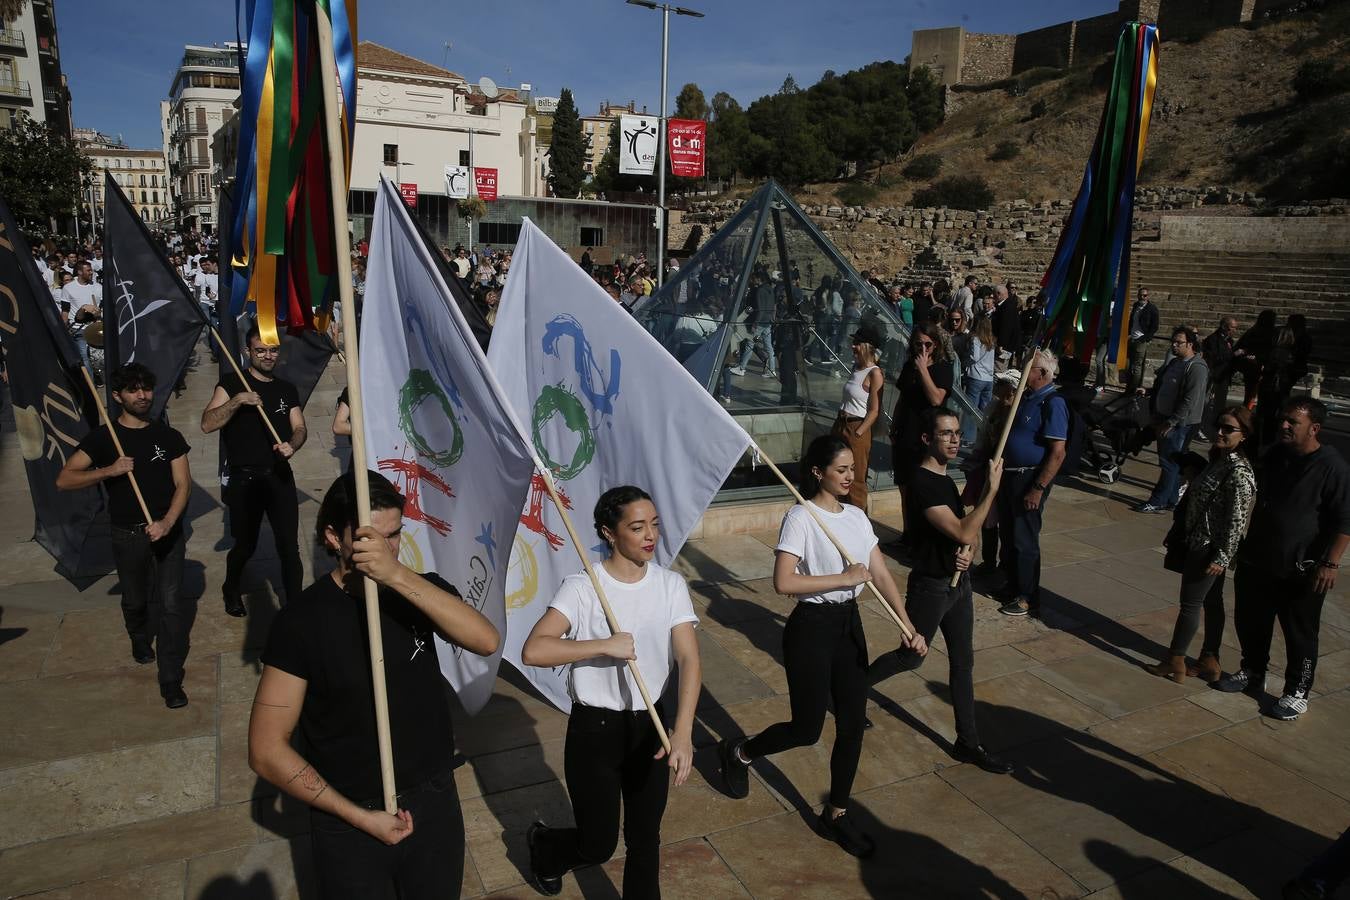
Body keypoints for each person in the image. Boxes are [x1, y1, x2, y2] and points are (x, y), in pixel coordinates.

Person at [248, 470, 499, 899]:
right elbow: (267, 751)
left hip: (434, 801)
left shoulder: (419, 591)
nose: (385, 549)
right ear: (333, 537)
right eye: (370, 539)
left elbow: (485, 640)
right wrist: (358, 817)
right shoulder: (301, 622)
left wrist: (396, 576)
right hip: (350, 821)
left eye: (395, 536)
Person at [717, 436, 925, 859]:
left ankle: (836, 812)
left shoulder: (855, 516)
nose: (851, 476)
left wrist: (907, 623)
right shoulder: (801, 517)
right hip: (810, 628)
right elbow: (784, 582)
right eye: (842, 469)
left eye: (852, 469)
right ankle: (740, 752)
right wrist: (841, 579)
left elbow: (881, 575)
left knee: (852, 723)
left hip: (849, 625)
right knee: (806, 729)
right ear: (818, 472)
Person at [523, 486, 702, 898]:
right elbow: (535, 649)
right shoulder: (583, 586)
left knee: (645, 839)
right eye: (637, 527)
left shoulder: (670, 585)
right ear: (609, 532)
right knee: (598, 845)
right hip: (595, 731)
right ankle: (546, 847)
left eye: (654, 525)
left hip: (650, 725)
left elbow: (689, 660)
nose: (649, 536)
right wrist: (602, 645)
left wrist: (683, 731)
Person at [867, 408, 1012, 774]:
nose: (953, 439)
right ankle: (851, 688)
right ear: (927, 439)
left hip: (958, 587)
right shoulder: (920, 482)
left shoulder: (947, 480)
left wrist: (969, 552)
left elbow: (967, 533)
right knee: (911, 657)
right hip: (931, 588)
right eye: (945, 433)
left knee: (963, 664)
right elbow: (963, 528)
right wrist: (990, 491)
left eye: (957, 433)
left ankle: (968, 742)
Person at [57, 363, 193, 708]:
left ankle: (170, 678)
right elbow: (65, 479)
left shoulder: (167, 435)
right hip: (126, 535)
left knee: (172, 604)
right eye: (133, 390)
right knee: (135, 599)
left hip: (168, 532)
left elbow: (183, 484)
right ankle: (137, 635)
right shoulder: (104, 438)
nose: (143, 395)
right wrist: (109, 470)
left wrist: (166, 522)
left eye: (146, 388)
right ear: (117, 396)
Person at [1216, 398, 1349, 720]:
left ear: (1314, 428)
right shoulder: (1276, 454)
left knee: (1299, 632)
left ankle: (1297, 690)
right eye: (1283, 420)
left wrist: (1330, 563)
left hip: (1301, 568)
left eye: (1293, 422)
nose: (1284, 426)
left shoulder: (1333, 467)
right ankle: (1252, 671)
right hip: (1259, 558)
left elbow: (1345, 521)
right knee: (1251, 621)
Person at [201, 325, 308, 616]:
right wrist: (237, 401)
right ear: (248, 352)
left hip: (279, 477)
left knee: (289, 547)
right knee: (245, 545)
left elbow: (299, 427)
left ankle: (294, 607)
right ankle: (231, 589)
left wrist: (292, 445)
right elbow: (207, 423)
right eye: (260, 350)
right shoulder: (231, 383)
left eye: (272, 350)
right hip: (244, 480)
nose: (267, 355)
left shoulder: (287, 388)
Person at [1144, 406, 1256, 683]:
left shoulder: (1239, 473)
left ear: (1244, 435)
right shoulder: (1221, 459)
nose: (1220, 432)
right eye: (1220, 425)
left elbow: (1237, 520)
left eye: (1229, 429)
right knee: (1211, 602)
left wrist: (1223, 557)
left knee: (1190, 605)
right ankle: (1209, 659)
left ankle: (1175, 660)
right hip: (1201, 541)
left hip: (1208, 547)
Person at [996, 349, 1068, 617]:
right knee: (1009, 534)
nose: (1024, 370)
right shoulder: (1026, 397)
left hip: (1029, 477)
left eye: (1029, 367)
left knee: (1025, 537)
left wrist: (1038, 488)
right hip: (1010, 475)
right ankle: (1013, 584)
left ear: (1042, 373)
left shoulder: (1053, 403)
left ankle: (1027, 595)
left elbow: (1058, 452)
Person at [1137, 326, 1209, 513]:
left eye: (1179, 343)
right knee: (1172, 461)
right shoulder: (1174, 363)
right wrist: (1150, 391)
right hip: (1163, 417)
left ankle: (1158, 499)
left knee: (1169, 462)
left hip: (1178, 424)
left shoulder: (1197, 368)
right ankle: (1171, 499)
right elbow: (1165, 386)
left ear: (1190, 344)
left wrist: (1172, 422)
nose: (1174, 345)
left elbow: (1190, 400)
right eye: (1173, 342)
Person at [890, 322, 954, 519]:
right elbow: (902, 398)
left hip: (928, 438)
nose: (923, 349)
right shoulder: (909, 366)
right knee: (905, 487)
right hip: (905, 434)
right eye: (919, 345)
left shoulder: (943, 368)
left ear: (936, 345)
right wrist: (894, 425)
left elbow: (936, 399)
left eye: (928, 344)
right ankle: (908, 535)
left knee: (923, 488)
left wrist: (923, 370)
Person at [831, 325, 884, 510]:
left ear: (868, 346)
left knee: (856, 480)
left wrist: (859, 432)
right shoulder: (856, 368)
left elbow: (874, 410)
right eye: (853, 343)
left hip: (856, 428)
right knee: (836, 474)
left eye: (857, 344)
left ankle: (860, 524)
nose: (853, 347)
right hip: (841, 424)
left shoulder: (874, 373)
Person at [1199, 316, 1238, 437]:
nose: (1234, 330)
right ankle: (1199, 427)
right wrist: (1233, 355)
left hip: (1224, 377)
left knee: (1220, 405)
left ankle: (1216, 427)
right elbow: (1215, 358)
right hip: (1213, 377)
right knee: (1205, 404)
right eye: (1232, 327)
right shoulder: (1213, 340)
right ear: (1224, 327)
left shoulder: (1229, 341)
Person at [1233, 309, 1276, 408]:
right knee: (1252, 393)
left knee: (1252, 393)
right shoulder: (1258, 332)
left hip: (1258, 366)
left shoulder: (1255, 331)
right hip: (1255, 366)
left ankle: (1248, 411)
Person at [1125, 287, 1159, 394]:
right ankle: (1128, 388)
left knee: (1137, 367)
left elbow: (1154, 327)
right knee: (1129, 365)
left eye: (1144, 295)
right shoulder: (1136, 305)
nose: (1142, 297)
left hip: (1141, 340)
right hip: (1132, 339)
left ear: (1148, 296)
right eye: (1140, 295)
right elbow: (1132, 321)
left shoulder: (1152, 309)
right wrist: (1129, 334)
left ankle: (1133, 390)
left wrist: (1145, 338)